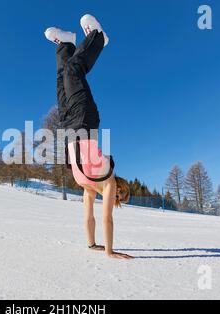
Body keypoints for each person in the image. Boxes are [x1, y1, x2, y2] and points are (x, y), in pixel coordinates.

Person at [45, 14, 133, 259]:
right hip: (85, 120)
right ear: (121, 185)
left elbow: (90, 216)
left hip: (67, 128)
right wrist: (110, 251)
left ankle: (66, 44)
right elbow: (107, 219)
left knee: (62, 81)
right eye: (122, 192)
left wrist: (92, 244)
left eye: (120, 198)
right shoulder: (108, 181)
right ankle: (98, 39)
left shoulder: (88, 187)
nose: (118, 195)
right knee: (74, 71)